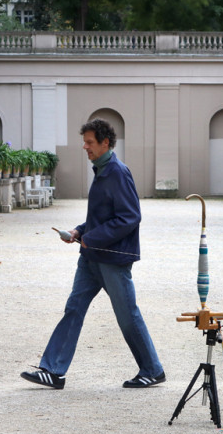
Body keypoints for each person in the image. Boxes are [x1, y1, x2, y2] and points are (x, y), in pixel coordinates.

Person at [21, 118, 166, 389]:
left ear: (105, 143)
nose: (85, 147)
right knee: (73, 309)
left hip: (112, 259)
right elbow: (103, 217)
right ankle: (53, 371)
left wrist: (91, 238)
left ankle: (152, 369)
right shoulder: (102, 169)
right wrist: (79, 231)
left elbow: (130, 217)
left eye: (89, 142)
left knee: (127, 315)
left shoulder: (117, 172)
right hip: (92, 258)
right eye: (84, 142)